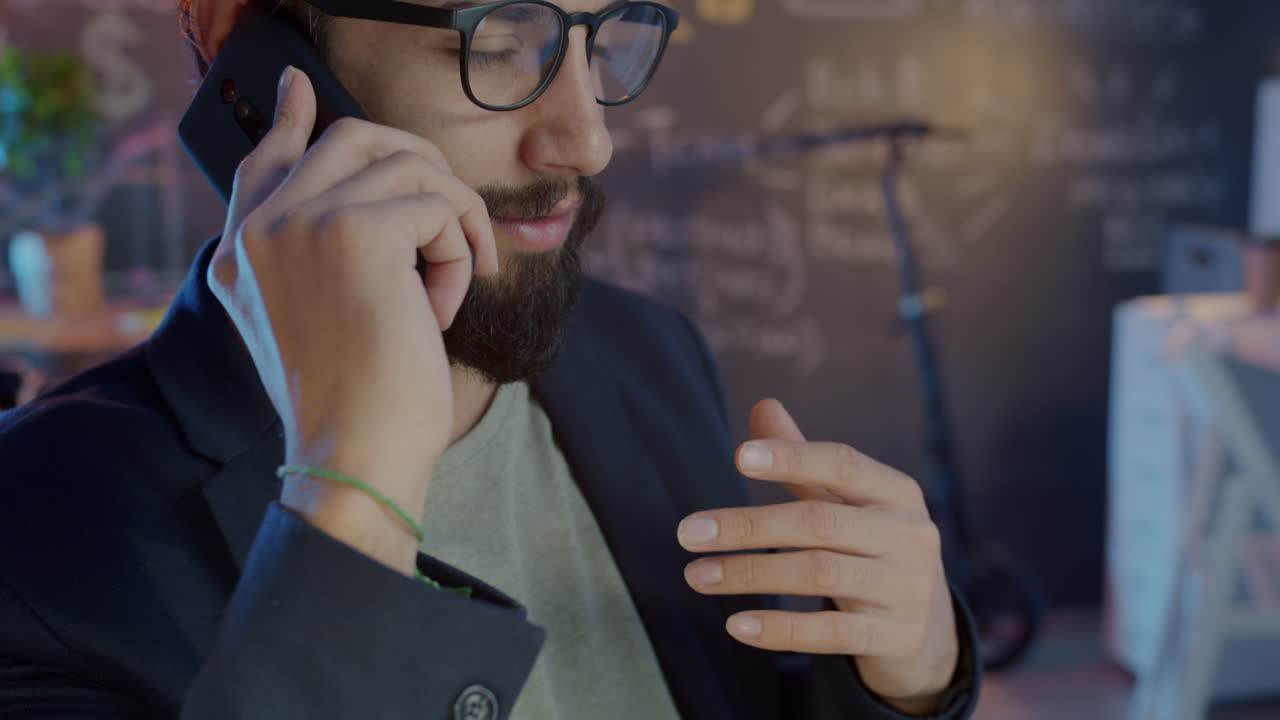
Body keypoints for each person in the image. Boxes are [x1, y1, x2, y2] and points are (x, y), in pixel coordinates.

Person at [0, 0, 981, 717]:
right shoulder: (36, 543)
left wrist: (907, 673)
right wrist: (352, 486)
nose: (586, 137)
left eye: (603, 39)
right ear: (246, 47)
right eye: (498, 41)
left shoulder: (646, 354)